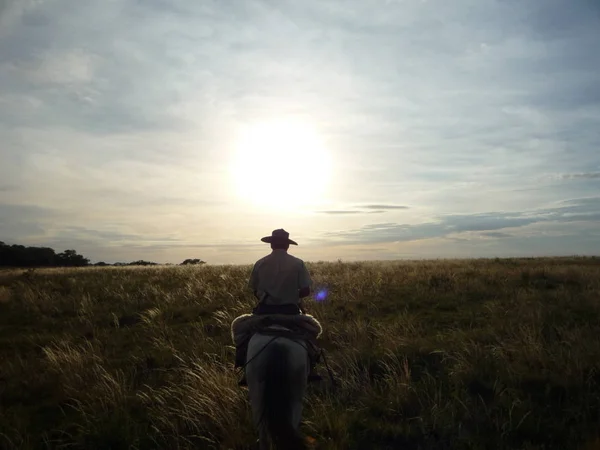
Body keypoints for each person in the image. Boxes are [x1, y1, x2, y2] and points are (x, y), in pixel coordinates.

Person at [233, 229, 322, 385]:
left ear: (271, 244)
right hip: (291, 312)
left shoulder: (260, 263)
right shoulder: (298, 263)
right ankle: (312, 367)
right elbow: (306, 290)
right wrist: (292, 296)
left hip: (264, 312)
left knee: (239, 329)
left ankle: (244, 367)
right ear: (287, 246)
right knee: (313, 331)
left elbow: (254, 289)